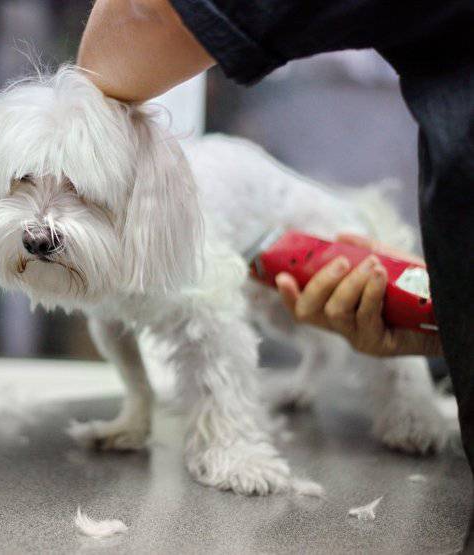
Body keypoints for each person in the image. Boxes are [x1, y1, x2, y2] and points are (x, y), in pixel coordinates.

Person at [76, 0, 474, 475]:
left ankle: (405, 399)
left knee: (349, 289)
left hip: (283, 192)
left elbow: (146, 16)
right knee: (324, 306)